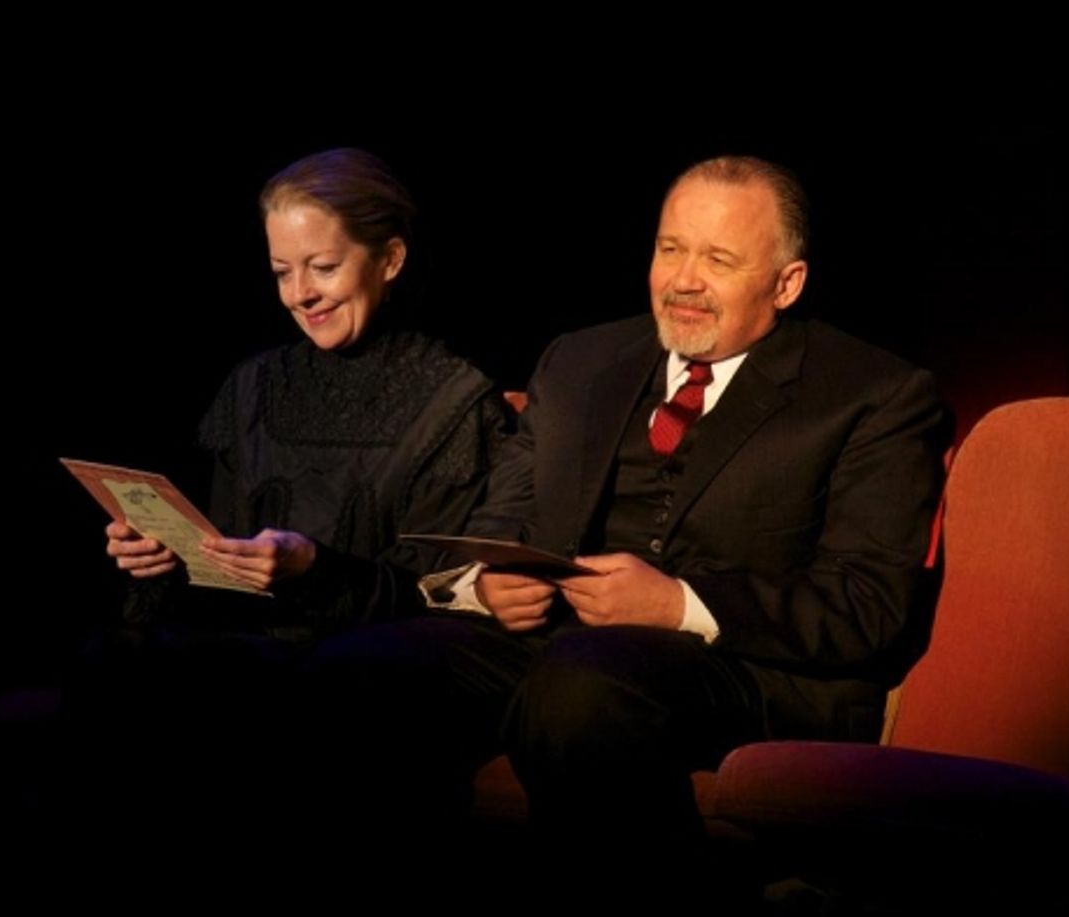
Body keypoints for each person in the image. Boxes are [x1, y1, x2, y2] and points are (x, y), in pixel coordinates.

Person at [308, 154, 952, 879]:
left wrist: (675, 604)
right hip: (559, 641)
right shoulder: (580, 361)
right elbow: (503, 522)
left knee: (583, 688)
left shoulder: (876, 395)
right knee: (363, 671)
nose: (683, 280)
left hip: (747, 669)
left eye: (718, 259)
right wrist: (486, 585)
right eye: (670, 249)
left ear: (786, 282)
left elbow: (869, 604)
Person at [67, 148, 509, 845]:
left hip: (374, 666)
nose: (300, 293)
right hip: (242, 647)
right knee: (123, 663)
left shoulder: (454, 400)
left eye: (323, 267)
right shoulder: (253, 388)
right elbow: (219, 554)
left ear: (389, 260)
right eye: (282, 272)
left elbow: (441, 593)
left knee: (282, 698)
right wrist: (163, 554)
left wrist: (315, 569)